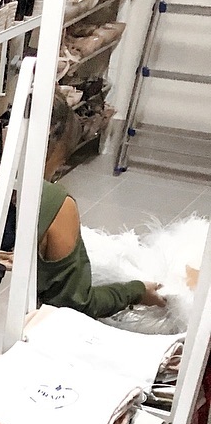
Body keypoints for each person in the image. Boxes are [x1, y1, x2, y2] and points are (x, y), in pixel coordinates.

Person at [34, 94, 165, 319]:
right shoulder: (53, 202)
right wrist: (135, 291)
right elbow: (74, 303)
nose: (57, 170)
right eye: (62, 160)